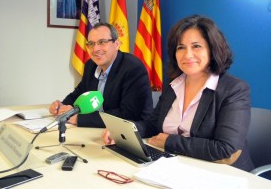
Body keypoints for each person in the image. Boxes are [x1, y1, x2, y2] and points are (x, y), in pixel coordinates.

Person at [103, 15, 254, 171]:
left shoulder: (234, 90)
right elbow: (153, 125)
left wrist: (169, 142)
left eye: (196, 46)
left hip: (223, 175)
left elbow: (224, 148)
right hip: (177, 166)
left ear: (212, 49)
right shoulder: (173, 85)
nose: (187, 55)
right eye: (180, 47)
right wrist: (126, 131)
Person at [49, 22, 153, 128]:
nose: (95, 49)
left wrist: (80, 119)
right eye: (91, 44)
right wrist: (62, 106)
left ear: (117, 44)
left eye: (102, 42)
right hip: (98, 130)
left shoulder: (133, 68)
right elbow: (79, 93)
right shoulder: (91, 66)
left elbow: (128, 114)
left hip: (133, 134)